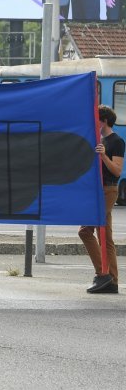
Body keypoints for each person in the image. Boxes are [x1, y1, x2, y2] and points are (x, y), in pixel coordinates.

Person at [79, 104, 124, 294]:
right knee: (106, 237)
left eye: (96, 119)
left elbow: (117, 170)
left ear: (104, 120)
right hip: (98, 190)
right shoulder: (101, 139)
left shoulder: (116, 141)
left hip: (108, 189)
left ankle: (102, 274)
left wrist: (103, 155)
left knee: (85, 231)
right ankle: (111, 281)